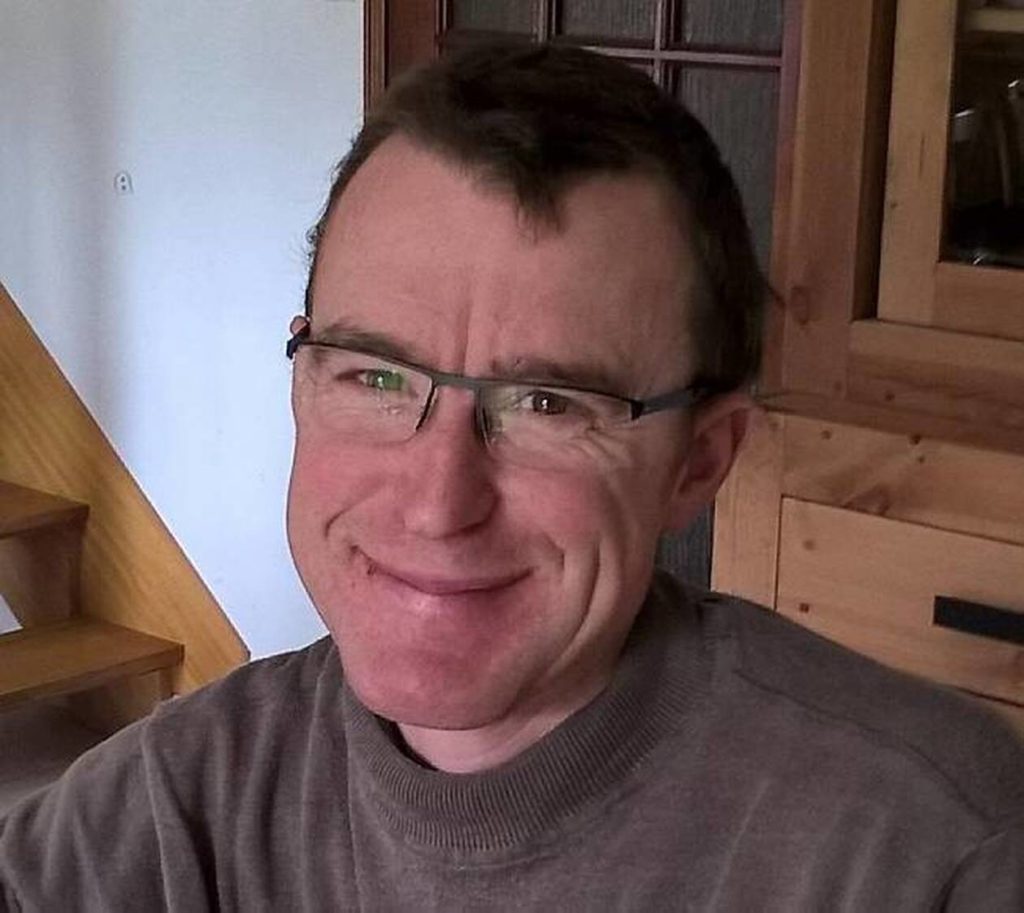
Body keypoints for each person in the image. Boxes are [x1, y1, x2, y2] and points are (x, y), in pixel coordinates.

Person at [2, 41, 1022, 912]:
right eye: (375, 375)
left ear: (698, 462)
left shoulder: (934, 848)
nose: (436, 502)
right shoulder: (181, 803)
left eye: (547, 404)